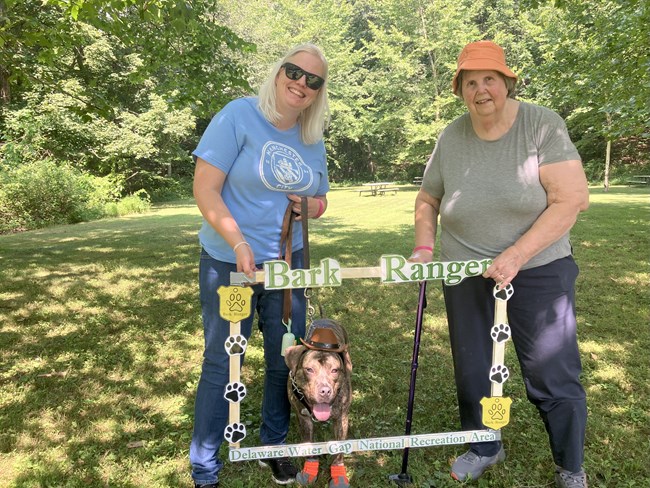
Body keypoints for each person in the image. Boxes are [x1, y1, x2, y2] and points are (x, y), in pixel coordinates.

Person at [411, 40, 590, 488]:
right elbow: (428, 197)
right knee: (474, 367)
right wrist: (425, 248)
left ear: (507, 82)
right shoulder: (451, 135)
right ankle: (484, 444)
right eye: (470, 82)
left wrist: (516, 254)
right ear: (460, 90)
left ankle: (570, 466)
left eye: (489, 78)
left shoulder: (541, 125)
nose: (481, 89)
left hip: (538, 267)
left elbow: (572, 199)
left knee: (551, 370)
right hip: (465, 270)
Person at [190, 43, 331, 488]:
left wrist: (311, 203)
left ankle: (273, 447)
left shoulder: (312, 136)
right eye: (294, 71)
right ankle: (204, 465)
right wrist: (238, 243)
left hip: (290, 261)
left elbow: (321, 199)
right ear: (278, 72)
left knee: (285, 358)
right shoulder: (238, 115)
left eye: (314, 80)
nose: (301, 83)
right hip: (230, 262)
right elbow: (205, 189)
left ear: (319, 92)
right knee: (221, 361)